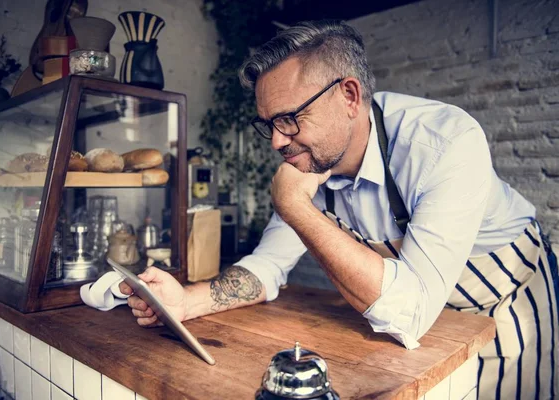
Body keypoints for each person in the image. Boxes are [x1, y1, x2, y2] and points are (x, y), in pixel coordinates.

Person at [120, 20, 559, 399]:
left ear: (349, 96)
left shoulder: (443, 143)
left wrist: (294, 206)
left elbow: (411, 313)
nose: (276, 140)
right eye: (268, 123)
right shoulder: (312, 161)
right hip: (420, 326)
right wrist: (185, 302)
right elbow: (268, 266)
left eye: (289, 118)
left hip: (505, 305)